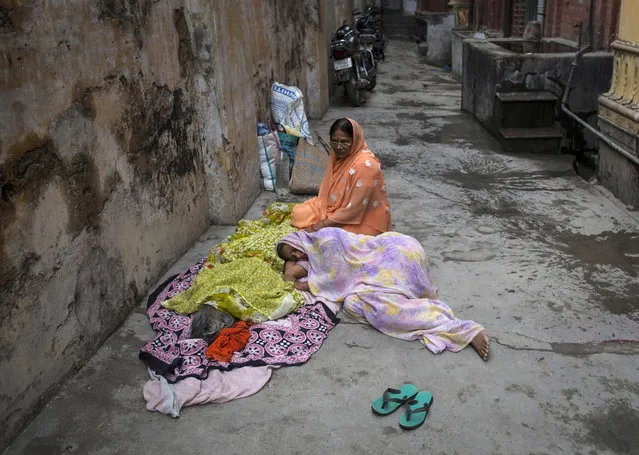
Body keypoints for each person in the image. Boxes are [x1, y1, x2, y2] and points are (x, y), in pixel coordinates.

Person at [276, 228, 490, 360]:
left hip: (395, 254)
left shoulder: (325, 240)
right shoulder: (311, 255)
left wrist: (300, 282)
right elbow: (294, 274)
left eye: (294, 249)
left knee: (382, 309)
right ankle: (437, 320)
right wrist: (291, 265)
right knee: (353, 304)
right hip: (396, 250)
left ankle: (460, 329)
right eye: (292, 256)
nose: (296, 255)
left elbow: (337, 278)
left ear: (299, 240)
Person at [291, 118, 392, 236]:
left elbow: (353, 211)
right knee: (299, 213)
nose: (338, 147)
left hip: (363, 218)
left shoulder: (366, 165)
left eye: (345, 142)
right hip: (338, 209)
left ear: (355, 141)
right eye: (334, 141)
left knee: (335, 238)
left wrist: (320, 226)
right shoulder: (340, 157)